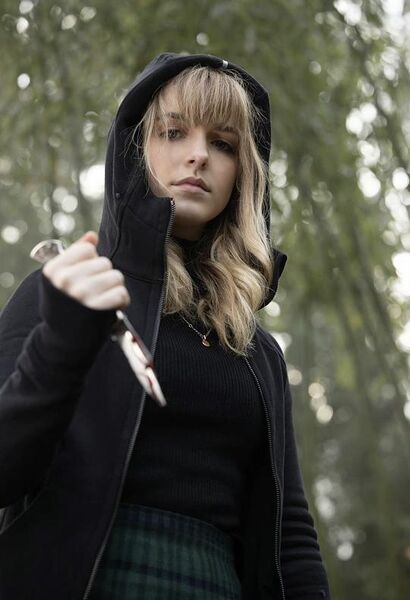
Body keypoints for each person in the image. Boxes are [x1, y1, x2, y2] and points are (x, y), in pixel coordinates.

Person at [0, 52, 331, 599]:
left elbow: (290, 536)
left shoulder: (259, 354)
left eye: (223, 144)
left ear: (242, 174)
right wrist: (61, 341)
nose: (198, 155)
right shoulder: (58, 295)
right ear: (138, 150)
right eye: (174, 133)